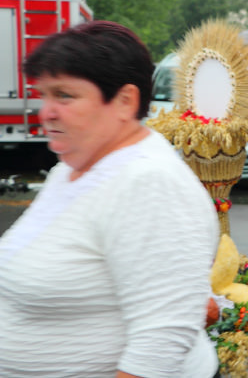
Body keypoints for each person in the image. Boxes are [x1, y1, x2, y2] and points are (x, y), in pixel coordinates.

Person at [0, 21, 219, 377]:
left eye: (65, 95)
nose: (46, 111)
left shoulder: (149, 183)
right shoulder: (67, 171)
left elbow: (162, 339)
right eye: (44, 95)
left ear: (124, 101)